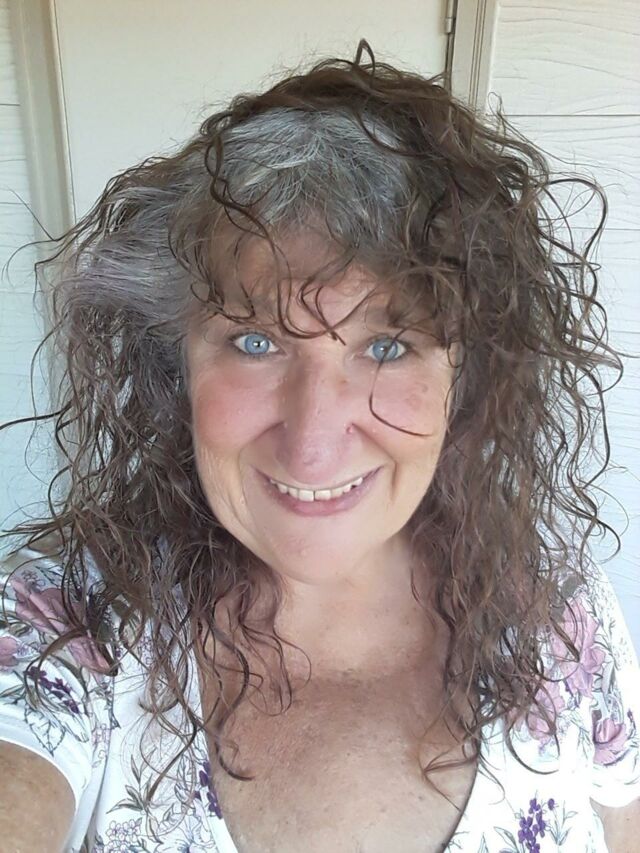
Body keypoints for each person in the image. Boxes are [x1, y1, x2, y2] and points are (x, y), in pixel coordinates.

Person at [0, 39, 638, 853]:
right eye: (255, 342)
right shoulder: (68, 620)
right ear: (177, 365)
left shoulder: (556, 609)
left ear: (466, 374)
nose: (312, 445)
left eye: (388, 345)